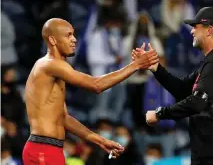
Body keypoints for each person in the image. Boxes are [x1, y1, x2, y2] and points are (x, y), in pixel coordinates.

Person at [22, 18, 159, 165]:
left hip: (49, 149)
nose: (74, 39)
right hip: (43, 150)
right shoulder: (50, 65)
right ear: (53, 40)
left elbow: (63, 118)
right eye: (68, 35)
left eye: (73, 34)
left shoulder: (56, 69)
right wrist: (135, 65)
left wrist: (100, 140)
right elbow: (96, 85)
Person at [133, 7, 213, 165]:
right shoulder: (212, 61)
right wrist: (155, 67)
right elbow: (182, 90)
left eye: (195, 27)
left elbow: (197, 102)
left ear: (209, 30)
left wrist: (160, 114)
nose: (192, 32)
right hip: (209, 156)